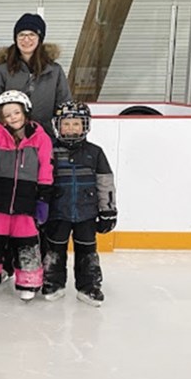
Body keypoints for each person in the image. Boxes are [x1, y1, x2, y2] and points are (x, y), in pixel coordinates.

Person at [0, 90, 53, 301]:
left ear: (25, 112)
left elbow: (46, 168)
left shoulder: (41, 138)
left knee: (26, 242)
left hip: (26, 199)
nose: (12, 118)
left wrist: (43, 198)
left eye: (16, 112)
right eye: (7, 115)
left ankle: (28, 281)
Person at [43, 101, 118, 307]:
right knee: (54, 249)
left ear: (85, 126)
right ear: (58, 126)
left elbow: (105, 183)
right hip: (57, 212)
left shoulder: (95, 152)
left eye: (76, 124)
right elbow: (42, 180)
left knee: (87, 250)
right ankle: (53, 282)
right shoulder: (50, 150)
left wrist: (108, 211)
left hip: (86, 212)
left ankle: (89, 286)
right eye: (66, 124)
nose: (71, 128)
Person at [0, 13, 71, 147]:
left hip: (44, 142)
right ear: (15, 38)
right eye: (22, 35)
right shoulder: (1, 71)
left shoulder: (55, 71)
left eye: (32, 35)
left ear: (40, 38)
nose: (26, 40)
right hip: (8, 144)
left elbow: (65, 110)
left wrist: (68, 144)